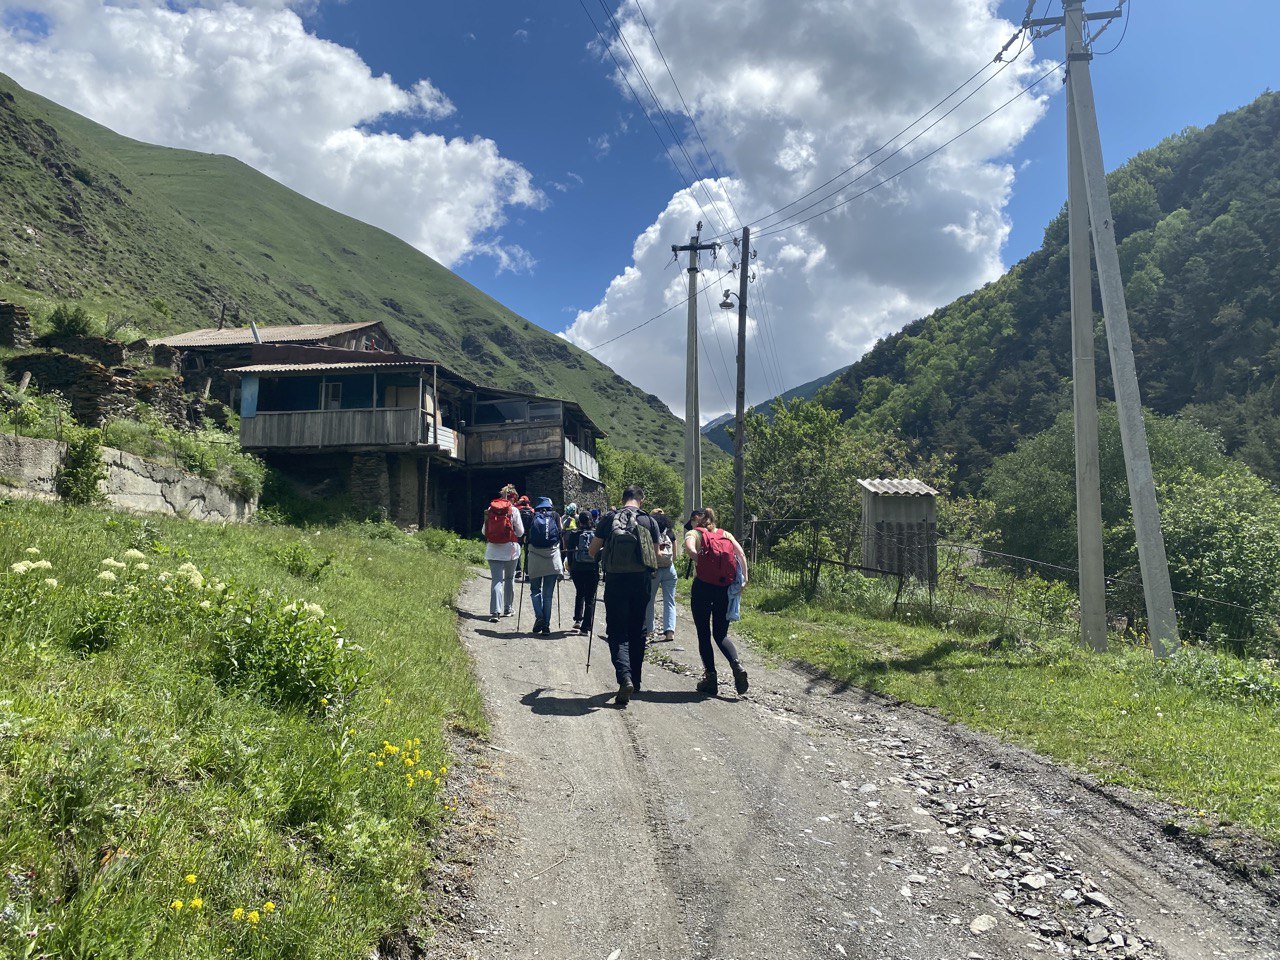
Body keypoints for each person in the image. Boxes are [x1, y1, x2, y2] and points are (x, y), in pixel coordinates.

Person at [589, 484, 660, 707]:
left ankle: (624, 677)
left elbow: (592, 551)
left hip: (616, 580)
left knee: (617, 630)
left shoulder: (610, 518)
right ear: (642, 500)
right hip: (641, 581)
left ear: (623, 498)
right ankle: (636, 681)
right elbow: (656, 556)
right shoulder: (650, 521)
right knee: (638, 628)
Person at [684, 506, 750, 696]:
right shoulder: (725, 534)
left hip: (702, 587)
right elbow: (741, 554)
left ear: (698, 519)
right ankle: (736, 666)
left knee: (703, 632)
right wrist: (744, 579)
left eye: (693, 521)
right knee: (721, 634)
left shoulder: (695, 533)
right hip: (723, 588)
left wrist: (700, 561)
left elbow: (689, 548)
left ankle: (711, 678)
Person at [482, 484, 524, 623]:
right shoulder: (514, 511)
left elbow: (484, 531)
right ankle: (508, 608)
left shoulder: (490, 509)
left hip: (493, 550)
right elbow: (520, 532)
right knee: (509, 579)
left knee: (496, 581)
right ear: (514, 497)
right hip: (510, 550)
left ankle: (495, 612)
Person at [525, 497, 563, 634]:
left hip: (535, 558)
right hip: (552, 558)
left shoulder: (532, 516)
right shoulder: (555, 515)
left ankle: (539, 617)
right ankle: (546, 626)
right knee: (548, 595)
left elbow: (526, 537)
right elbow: (560, 533)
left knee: (535, 591)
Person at [645, 507, 679, 643]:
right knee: (670, 601)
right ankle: (670, 632)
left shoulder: (650, 532)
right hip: (670, 570)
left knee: (650, 601)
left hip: (654, 570)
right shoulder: (670, 533)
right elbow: (675, 555)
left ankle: (648, 631)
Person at [568, 510, 599, 637]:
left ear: (579, 521)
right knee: (590, 598)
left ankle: (577, 619)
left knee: (580, 592)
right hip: (592, 568)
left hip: (577, 568)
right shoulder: (597, 534)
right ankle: (585, 628)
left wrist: (570, 565)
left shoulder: (574, 534)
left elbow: (570, 551)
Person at [515, 495, 535, 582]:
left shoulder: (517, 510)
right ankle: (527, 573)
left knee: (517, 552)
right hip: (529, 534)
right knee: (528, 553)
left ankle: (518, 570)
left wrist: (516, 503)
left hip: (519, 534)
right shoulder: (532, 510)